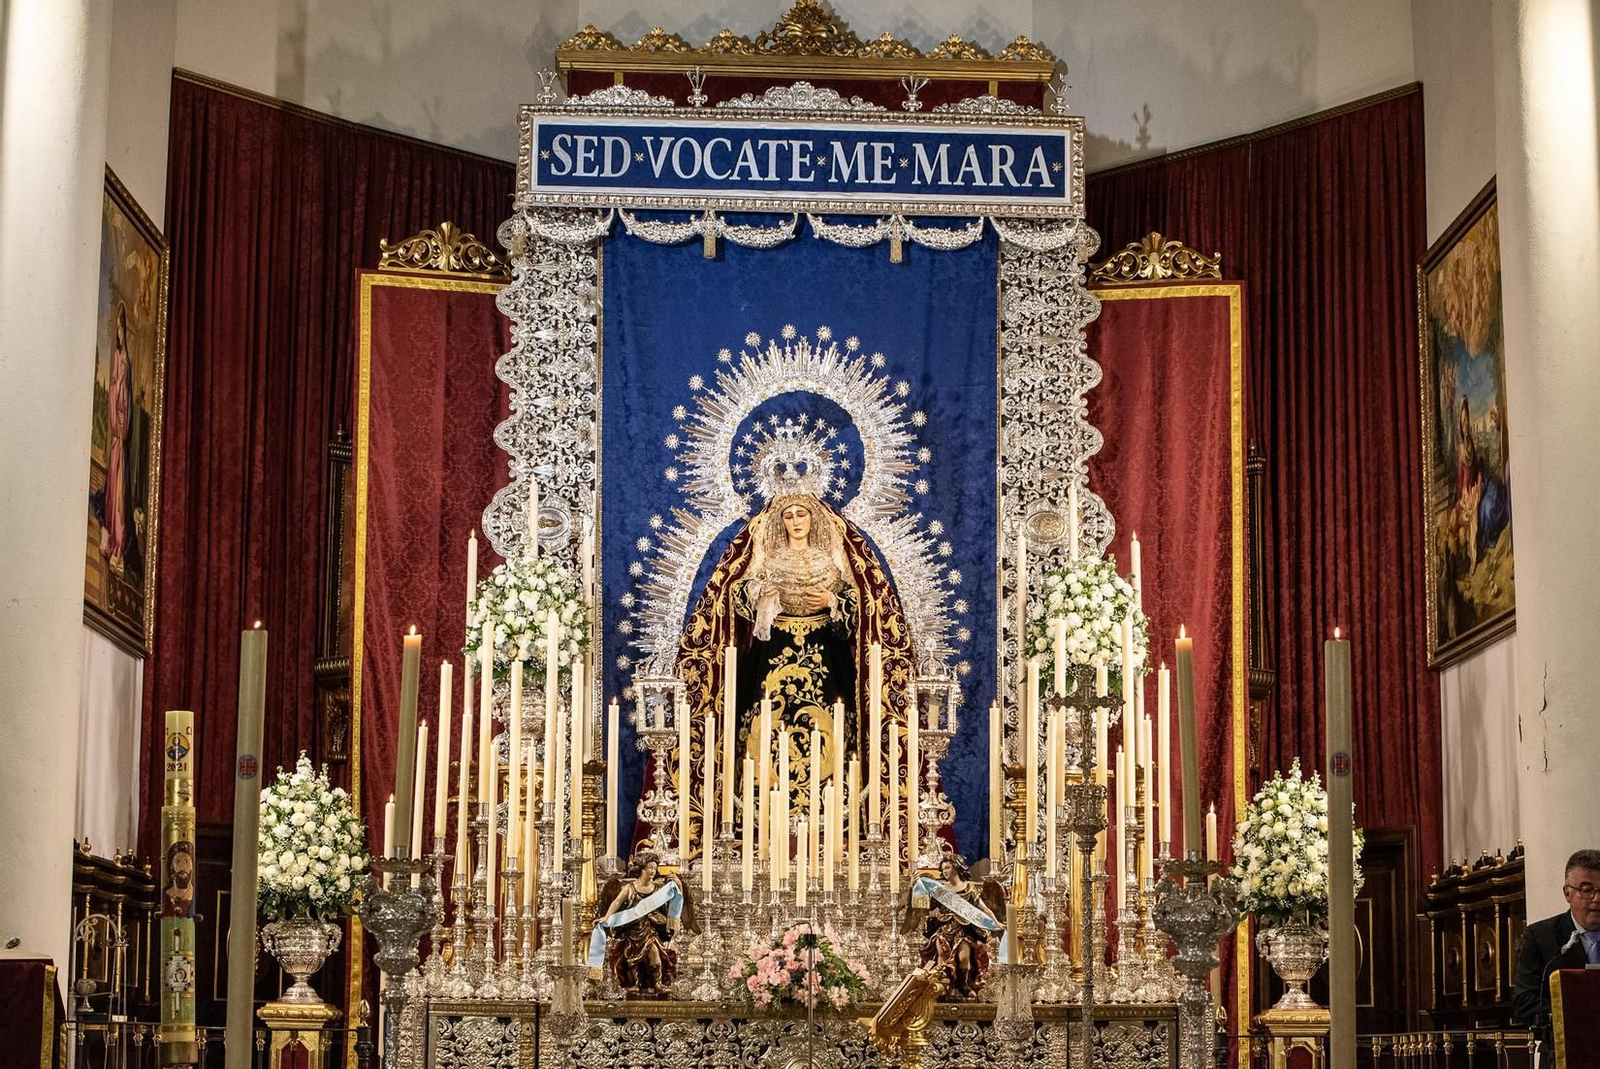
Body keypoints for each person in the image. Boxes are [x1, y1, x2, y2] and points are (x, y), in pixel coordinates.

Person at [1512, 848, 1600, 1050]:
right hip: (1564, 1051)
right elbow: (1524, 1002)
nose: (1597, 899)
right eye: (1587, 890)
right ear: (1567, 893)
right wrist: (1580, 1014)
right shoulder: (1541, 937)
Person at [596, 852, 683, 996]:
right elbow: (617, 902)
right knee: (631, 957)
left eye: (655, 868)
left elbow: (674, 902)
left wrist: (679, 885)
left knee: (654, 952)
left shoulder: (658, 889)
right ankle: (633, 983)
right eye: (650, 867)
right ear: (642, 868)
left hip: (650, 930)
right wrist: (606, 917)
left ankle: (657, 983)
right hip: (633, 930)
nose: (653, 871)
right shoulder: (630, 888)